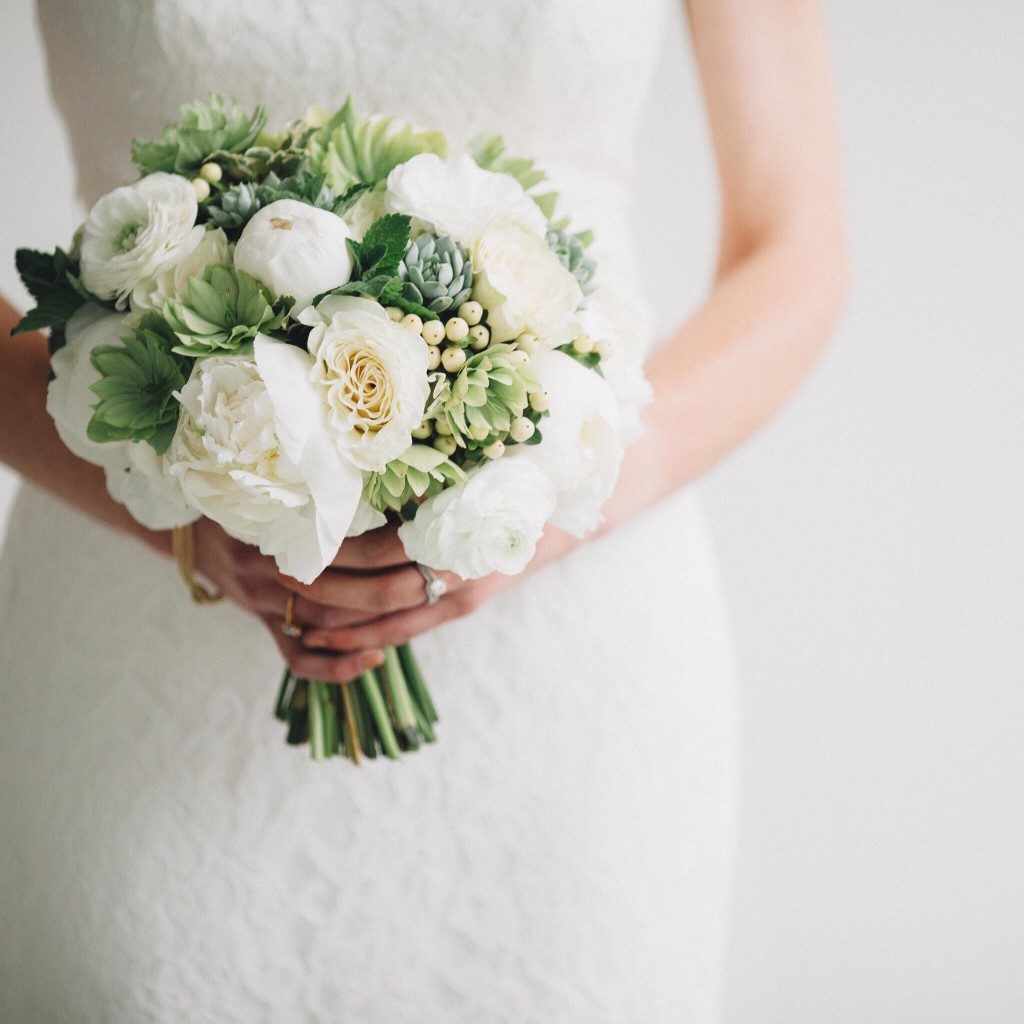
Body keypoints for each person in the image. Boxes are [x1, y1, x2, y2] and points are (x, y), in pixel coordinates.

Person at [0, 1, 845, 1020]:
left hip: (577, 644)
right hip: (133, 621)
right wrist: (182, 514)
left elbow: (793, 248)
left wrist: (554, 501)